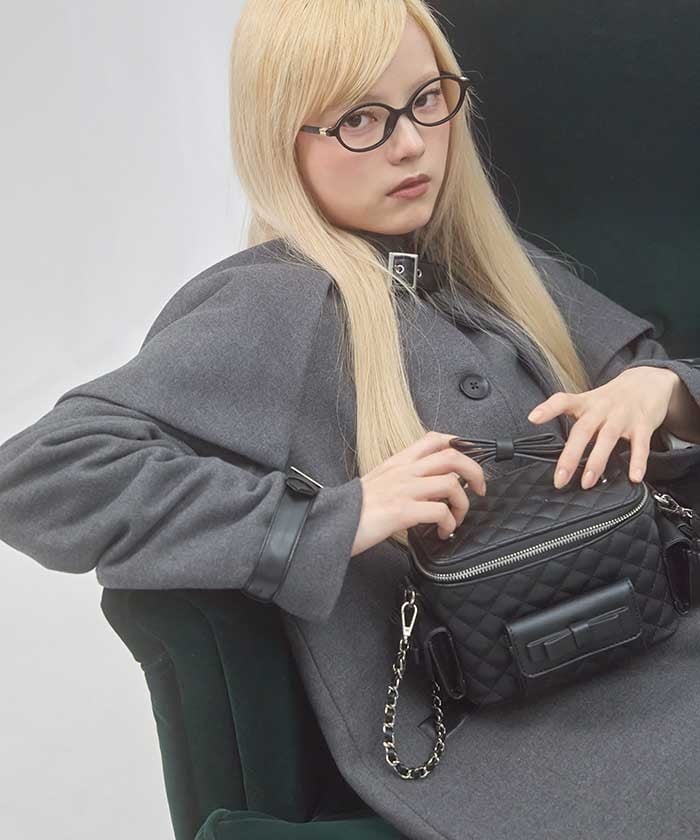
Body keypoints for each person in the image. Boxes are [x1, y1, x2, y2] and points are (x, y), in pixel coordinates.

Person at [1, 1, 699, 838]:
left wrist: (664, 389)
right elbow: (39, 475)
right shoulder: (273, 303)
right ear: (281, 138)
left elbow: (648, 373)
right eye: (360, 119)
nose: (411, 144)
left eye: (427, 100)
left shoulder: (495, 271)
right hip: (500, 743)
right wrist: (325, 521)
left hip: (657, 644)